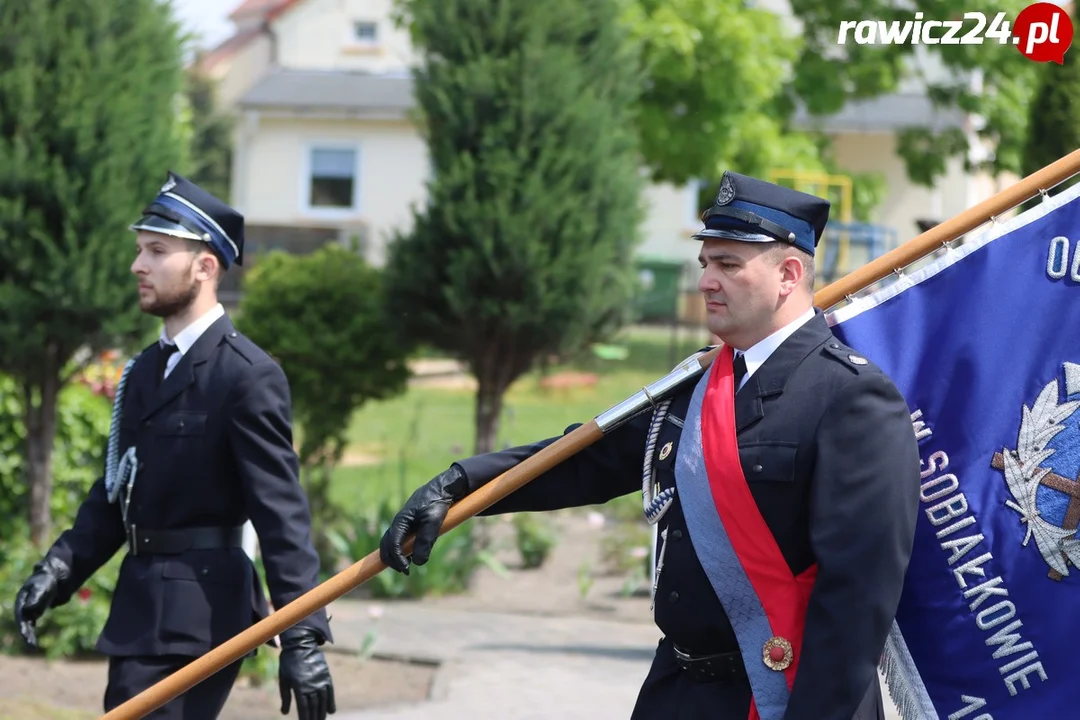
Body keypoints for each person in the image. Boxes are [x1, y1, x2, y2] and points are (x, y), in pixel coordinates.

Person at [379, 171, 921, 719]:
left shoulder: (852, 401)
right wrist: (463, 484)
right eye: (705, 263)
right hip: (677, 690)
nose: (707, 280)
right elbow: (587, 460)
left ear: (788, 273)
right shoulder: (697, 385)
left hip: (779, 696)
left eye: (728, 264)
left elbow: (855, 607)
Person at [13, 172, 336, 720]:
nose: (138, 265)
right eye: (140, 250)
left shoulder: (245, 376)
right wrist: (60, 570)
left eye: (157, 251)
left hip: (201, 616)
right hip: (141, 608)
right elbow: (118, 492)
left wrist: (302, 634)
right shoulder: (144, 372)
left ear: (205, 266)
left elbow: (281, 514)